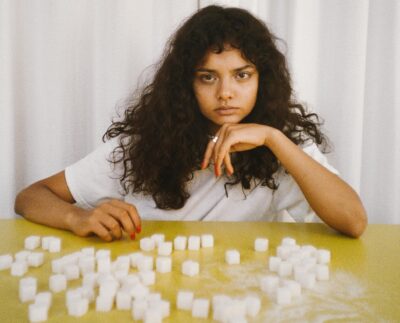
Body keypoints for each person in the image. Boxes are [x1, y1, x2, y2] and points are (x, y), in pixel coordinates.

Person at [15, 5, 367, 241]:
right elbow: (31, 196)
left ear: (264, 80)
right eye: (208, 77)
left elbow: (354, 221)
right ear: (186, 84)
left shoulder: (281, 149)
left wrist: (275, 139)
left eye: (242, 75)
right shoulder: (142, 146)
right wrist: (79, 219)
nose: (226, 93)